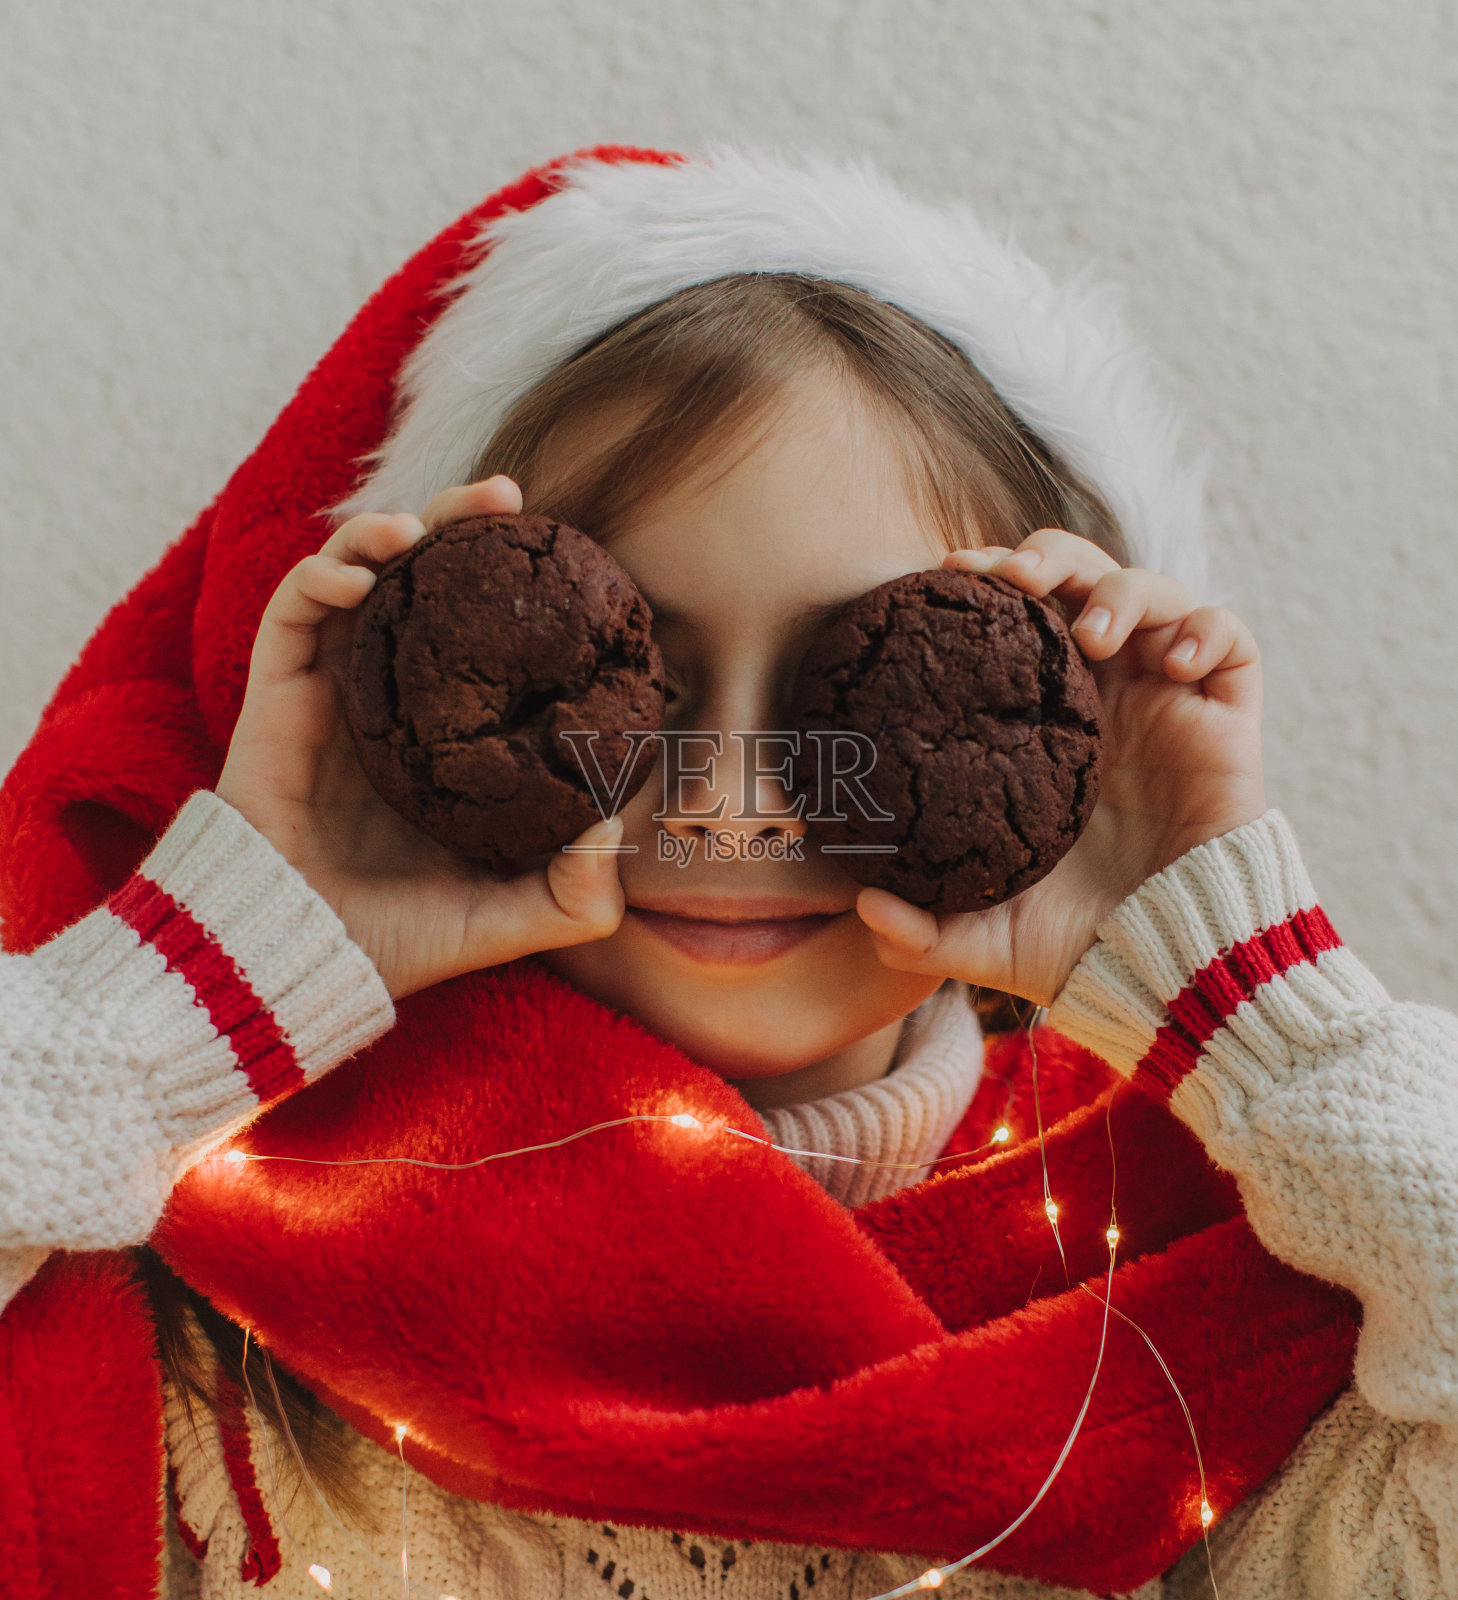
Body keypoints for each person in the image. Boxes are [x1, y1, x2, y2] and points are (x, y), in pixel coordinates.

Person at [0, 147, 1453, 1600]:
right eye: (625, 671)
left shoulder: (1230, 1299)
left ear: (1064, 727)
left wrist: (1262, 1011)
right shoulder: (215, 1277)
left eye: (864, 684)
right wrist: (194, 985)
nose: (739, 798)